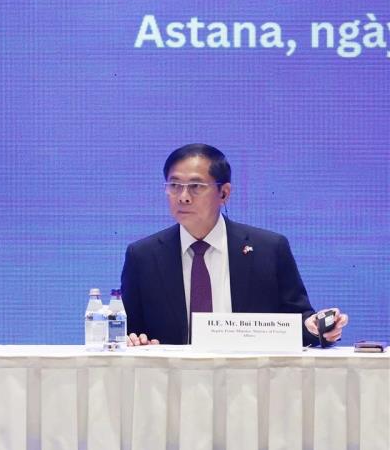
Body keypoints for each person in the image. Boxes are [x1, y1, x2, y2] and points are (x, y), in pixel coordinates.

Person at [121, 144, 346, 346]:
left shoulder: (269, 249)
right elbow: (130, 330)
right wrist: (132, 339)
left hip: (251, 375)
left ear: (224, 193)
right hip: (171, 377)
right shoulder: (143, 256)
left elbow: (297, 322)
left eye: (196, 186)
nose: (183, 196)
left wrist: (318, 328)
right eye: (174, 185)